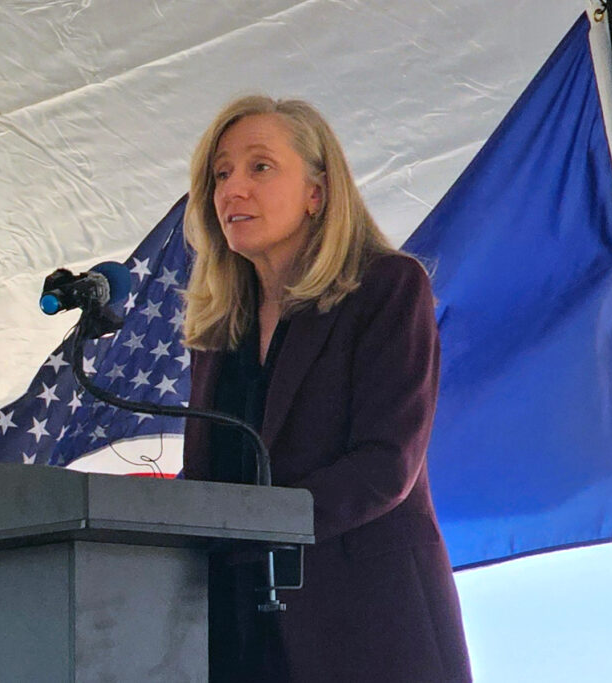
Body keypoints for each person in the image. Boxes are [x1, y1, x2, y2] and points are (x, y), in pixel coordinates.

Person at [181, 95, 472, 682]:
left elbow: (385, 466)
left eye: (260, 167)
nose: (232, 189)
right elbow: (206, 477)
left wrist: (245, 529)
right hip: (234, 633)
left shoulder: (386, 288)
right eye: (220, 174)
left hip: (366, 627)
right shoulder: (219, 329)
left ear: (317, 191)